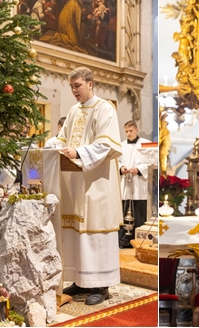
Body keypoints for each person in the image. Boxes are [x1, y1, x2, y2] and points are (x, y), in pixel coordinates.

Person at [55, 66, 123, 305]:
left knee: (96, 232)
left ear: (90, 84)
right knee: (75, 233)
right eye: (72, 86)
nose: (74, 91)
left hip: (97, 183)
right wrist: (51, 145)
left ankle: (101, 285)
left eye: (78, 86)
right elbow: (62, 138)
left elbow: (107, 144)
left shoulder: (105, 109)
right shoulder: (74, 110)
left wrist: (79, 152)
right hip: (75, 182)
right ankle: (80, 280)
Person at [118, 120, 151, 249]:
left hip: (139, 184)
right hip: (125, 183)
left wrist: (138, 169)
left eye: (131, 131)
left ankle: (138, 241)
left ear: (137, 130)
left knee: (138, 211)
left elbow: (151, 162)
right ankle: (124, 241)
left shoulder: (146, 144)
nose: (128, 133)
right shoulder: (120, 146)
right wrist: (122, 168)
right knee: (123, 210)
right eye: (126, 131)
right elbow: (117, 161)